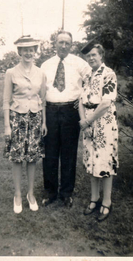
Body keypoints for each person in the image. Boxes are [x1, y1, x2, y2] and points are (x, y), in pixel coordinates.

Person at [41, 30, 92, 208]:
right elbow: (40, 90)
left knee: (69, 153)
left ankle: (66, 193)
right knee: (50, 153)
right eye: (60, 42)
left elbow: (92, 82)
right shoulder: (45, 65)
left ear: (71, 45)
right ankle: (50, 191)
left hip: (71, 110)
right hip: (51, 110)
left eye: (67, 43)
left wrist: (84, 102)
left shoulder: (80, 64)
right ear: (54, 43)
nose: (63, 46)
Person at [3, 35, 47, 213]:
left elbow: (42, 100)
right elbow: (6, 101)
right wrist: (7, 126)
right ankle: (17, 194)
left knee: (32, 158)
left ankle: (30, 194)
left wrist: (44, 122)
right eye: (25, 50)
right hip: (17, 119)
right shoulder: (11, 72)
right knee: (17, 158)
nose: (29, 53)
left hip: (35, 119)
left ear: (35, 52)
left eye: (32, 49)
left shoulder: (40, 73)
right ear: (19, 52)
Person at [79, 42, 118, 221]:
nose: (91, 58)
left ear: (101, 55)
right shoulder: (87, 76)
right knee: (92, 162)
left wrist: (88, 121)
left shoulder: (109, 74)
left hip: (103, 123)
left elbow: (105, 103)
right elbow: (81, 100)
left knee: (105, 162)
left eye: (94, 55)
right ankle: (94, 199)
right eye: (88, 56)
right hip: (88, 123)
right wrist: (84, 123)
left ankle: (107, 202)